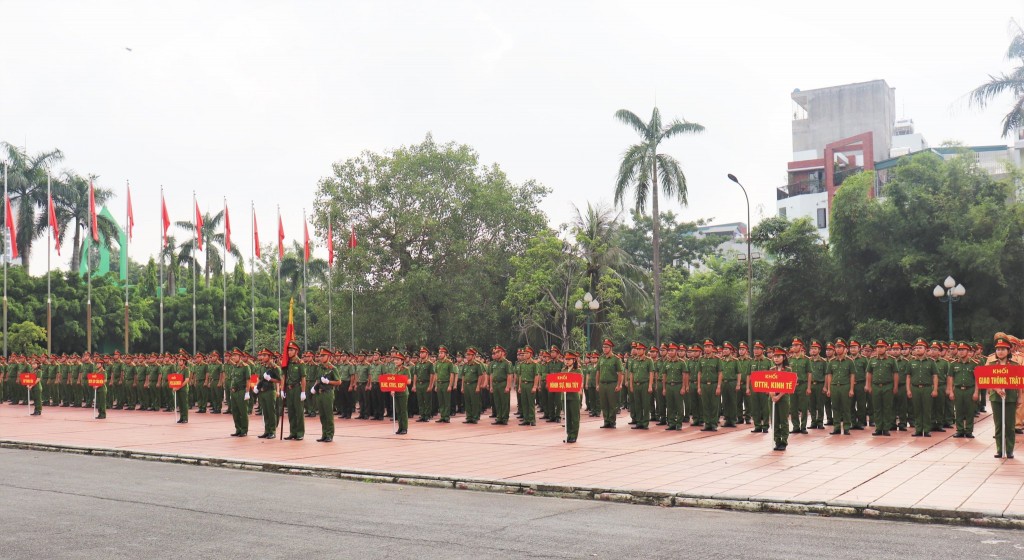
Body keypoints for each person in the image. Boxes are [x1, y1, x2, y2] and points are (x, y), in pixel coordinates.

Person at [988, 336, 1020, 458]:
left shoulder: (1014, 365)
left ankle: (1010, 449)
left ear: (1008, 351)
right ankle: (1000, 449)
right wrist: (996, 389)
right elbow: (987, 381)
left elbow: (1019, 383)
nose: (1000, 351)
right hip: (996, 398)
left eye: (1003, 349)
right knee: (998, 424)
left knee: (1010, 425)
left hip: (1011, 397)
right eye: (998, 349)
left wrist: (1020, 397)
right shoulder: (991, 365)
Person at [906, 338, 938, 438]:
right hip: (915, 388)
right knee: (917, 409)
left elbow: (935, 376)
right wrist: (908, 389)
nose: (918, 349)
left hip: (927, 388)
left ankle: (927, 429)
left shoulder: (931, 362)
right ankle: (918, 429)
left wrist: (935, 389)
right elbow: (908, 376)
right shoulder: (911, 362)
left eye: (920, 348)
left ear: (926, 349)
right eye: (916, 348)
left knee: (927, 409)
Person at [866, 339, 897, 437]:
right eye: (878, 347)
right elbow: (869, 373)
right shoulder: (872, 359)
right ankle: (878, 428)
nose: (879, 349)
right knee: (877, 408)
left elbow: (895, 374)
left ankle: (886, 428)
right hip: (875, 386)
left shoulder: (891, 360)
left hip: (887, 386)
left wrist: (895, 387)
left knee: (887, 408)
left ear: (886, 348)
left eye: (881, 347)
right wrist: (868, 385)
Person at [947, 342, 978, 439]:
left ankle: (969, 431)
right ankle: (959, 430)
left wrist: (976, 392)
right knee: (959, 411)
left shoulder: (974, 364)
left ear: (968, 351)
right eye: (959, 350)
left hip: (970, 389)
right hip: (958, 390)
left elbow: (977, 380)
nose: (961, 352)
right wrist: (951, 391)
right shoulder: (953, 364)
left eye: (963, 350)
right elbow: (950, 378)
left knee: (970, 411)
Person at [826, 339, 855, 435]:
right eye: (836, 347)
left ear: (845, 349)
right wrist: (829, 389)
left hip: (845, 386)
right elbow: (829, 375)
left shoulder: (850, 361)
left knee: (846, 407)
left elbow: (852, 375)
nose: (838, 349)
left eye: (840, 347)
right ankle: (836, 427)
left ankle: (846, 427)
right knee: (835, 407)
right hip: (834, 386)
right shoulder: (831, 361)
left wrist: (851, 389)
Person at [312, 348, 340, 442]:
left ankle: (329, 435)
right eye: (320, 355)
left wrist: (328, 381)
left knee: (328, 415)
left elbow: (338, 382)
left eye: (323, 356)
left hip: (327, 393)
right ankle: (324, 434)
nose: (321, 357)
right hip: (319, 394)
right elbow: (317, 379)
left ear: (328, 357)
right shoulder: (319, 367)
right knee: (322, 415)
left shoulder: (332, 368)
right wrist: (314, 387)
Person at [281, 341, 306, 440]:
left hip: (297, 389)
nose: (289, 352)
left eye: (291, 350)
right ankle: (293, 432)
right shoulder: (287, 363)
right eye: (288, 350)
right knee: (291, 411)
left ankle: (300, 433)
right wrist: (283, 389)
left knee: (298, 411)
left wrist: (303, 392)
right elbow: (283, 376)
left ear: (296, 351)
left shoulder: (300, 363)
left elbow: (303, 378)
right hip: (289, 388)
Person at [255, 349, 281, 439]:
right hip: (262, 392)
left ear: (270, 357)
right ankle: (267, 430)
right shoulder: (262, 366)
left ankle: (272, 431)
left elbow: (280, 380)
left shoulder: (275, 368)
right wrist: (256, 387)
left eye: (265, 355)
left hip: (270, 391)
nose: (262, 357)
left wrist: (270, 379)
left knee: (271, 412)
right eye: (262, 355)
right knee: (265, 412)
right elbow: (260, 378)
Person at [768, 347, 791, 451]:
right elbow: (768, 384)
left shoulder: (788, 370)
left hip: (783, 397)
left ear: (784, 357)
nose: (776, 359)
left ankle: (784, 441)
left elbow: (788, 385)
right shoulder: (771, 370)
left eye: (778, 356)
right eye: (775, 357)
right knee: (774, 420)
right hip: (772, 398)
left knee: (783, 420)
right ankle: (777, 441)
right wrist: (772, 395)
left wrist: (778, 396)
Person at [697, 339, 723, 431]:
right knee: (705, 405)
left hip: (714, 384)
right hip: (704, 385)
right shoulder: (701, 359)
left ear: (712, 348)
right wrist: (699, 387)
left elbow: (720, 373)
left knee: (714, 405)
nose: (707, 349)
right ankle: (707, 423)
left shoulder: (717, 360)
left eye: (709, 347)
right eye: (705, 347)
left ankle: (714, 424)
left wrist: (719, 386)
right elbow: (699, 373)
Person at [225, 349, 250, 437]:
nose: (233, 357)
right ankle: (238, 429)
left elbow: (248, 380)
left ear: (240, 357)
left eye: (235, 356)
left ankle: (244, 430)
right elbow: (233, 379)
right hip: (234, 392)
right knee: (235, 412)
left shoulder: (245, 366)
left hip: (241, 391)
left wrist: (247, 392)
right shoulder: (234, 366)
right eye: (233, 355)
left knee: (242, 412)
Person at [562, 352, 582, 443]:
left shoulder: (578, 370)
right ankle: (569, 434)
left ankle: (574, 435)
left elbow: (579, 382)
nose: (567, 361)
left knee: (574, 416)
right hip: (565, 396)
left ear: (574, 360)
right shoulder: (563, 370)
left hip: (573, 396)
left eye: (569, 359)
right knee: (567, 416)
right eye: (566, 359)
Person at [392, 351, 410, 435]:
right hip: (396, 393)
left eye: (398, 360)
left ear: (402, 361)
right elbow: (392, 381)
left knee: (403, 411)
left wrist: (401, 381)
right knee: (398, 411)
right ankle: (400, 427)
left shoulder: (406, 370)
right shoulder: (395, 370)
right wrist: (392, 390)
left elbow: (409, 381)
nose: (396, 361)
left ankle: (404, 428)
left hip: (403, 393)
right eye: (395, 359)